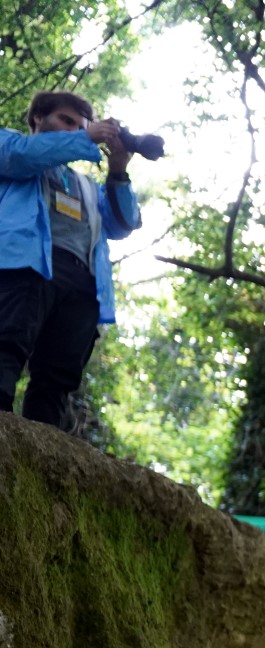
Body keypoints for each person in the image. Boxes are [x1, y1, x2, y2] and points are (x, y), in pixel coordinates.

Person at [0, 90, 141, 432]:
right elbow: (20, 158)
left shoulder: (86, 186)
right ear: (37, 118)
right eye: (66, 120)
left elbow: (123, 224)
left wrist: (118, 170)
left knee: (58, 376)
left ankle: (43, 453)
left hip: (81, 284)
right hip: (24, 266)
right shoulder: (11, 145)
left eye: (80, 125)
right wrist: (85, 138)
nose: (74, 129)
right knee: (6, 345)